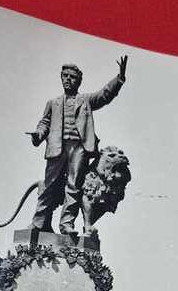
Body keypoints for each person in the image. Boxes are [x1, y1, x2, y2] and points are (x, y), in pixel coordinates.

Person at [29, 56, 127, 233]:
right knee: (50, 184)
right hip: (57, 147)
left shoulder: (86, 100)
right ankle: (38, 223)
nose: (68, 79)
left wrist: (119, 79)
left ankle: (66, 224)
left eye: (72, 77)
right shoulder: (53, 103)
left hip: (79, 148)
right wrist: (38, 135)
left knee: (74, 186)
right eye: (65, 76)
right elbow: (44, 123)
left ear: (79, 81)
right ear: (61, 78)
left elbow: (104, 95)